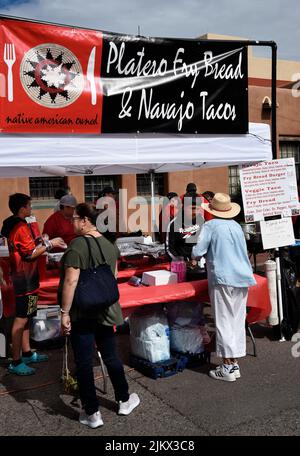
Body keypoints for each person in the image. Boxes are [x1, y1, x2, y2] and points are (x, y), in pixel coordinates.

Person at [59, 203, 140, 428]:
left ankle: (92, 413)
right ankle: (124, 399)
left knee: (84, 361)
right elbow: (112, 278)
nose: (71, 222)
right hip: (105, 309)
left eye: (74, 218)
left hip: (82, 311)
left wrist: (64, 312)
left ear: (85, 220)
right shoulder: (109, 245)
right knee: (111, 355)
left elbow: (71, 281)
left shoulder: (76, 246)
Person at [192, 193, 256, 382]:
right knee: (236, 320)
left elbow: (197, 251)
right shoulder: (236, 226)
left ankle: (228, 365)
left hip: (223, 277)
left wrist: (195, 257)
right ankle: (233, 362)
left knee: (224, 321)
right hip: (242, 277)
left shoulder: (211, 226)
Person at [1, 193, 65, 376]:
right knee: (20, 319)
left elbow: (28, 245)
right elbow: (29, 254)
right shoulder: (19, 226)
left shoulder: (13, 222)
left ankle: (27, 353)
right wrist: (50, 244)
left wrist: (41, 240)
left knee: (28, 316)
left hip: (27, 277)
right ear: (22, 208)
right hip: (24, 279)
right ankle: (16, 361)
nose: (31, 210)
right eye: (29, 206)